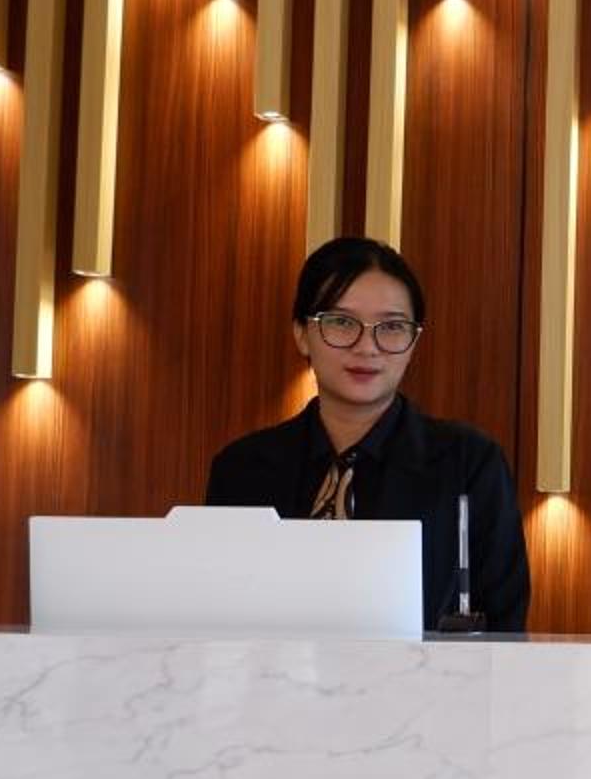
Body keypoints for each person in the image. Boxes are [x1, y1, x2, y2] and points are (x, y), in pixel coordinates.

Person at [204, 237, 530, 633]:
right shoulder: (241, 469)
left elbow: (503, 626)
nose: (367, 347)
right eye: (342, 323)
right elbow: (216, 619)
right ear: (302, 333)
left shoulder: (469, 464)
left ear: (414, 342)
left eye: (391, 327)